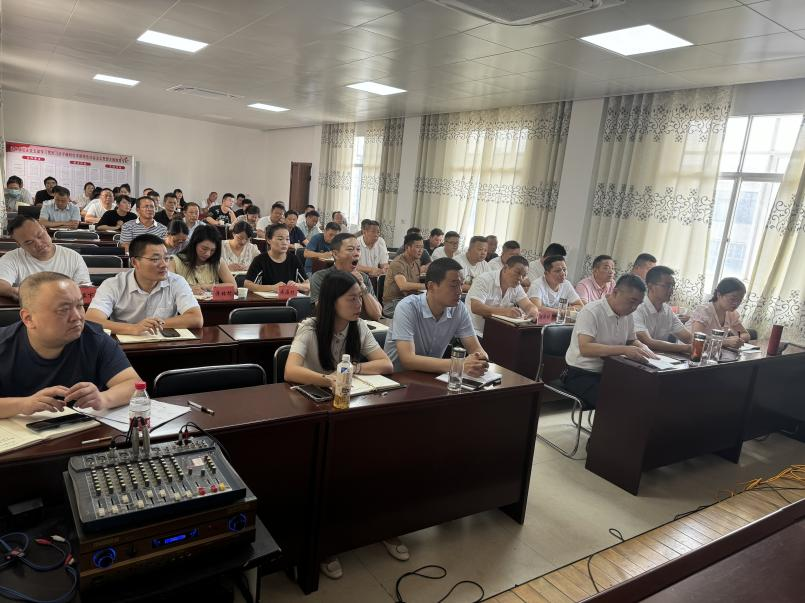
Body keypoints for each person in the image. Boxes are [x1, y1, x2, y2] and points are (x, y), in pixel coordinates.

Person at [284, 270, 397, 580]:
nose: (358, 304)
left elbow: (386, 364)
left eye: (360, 297)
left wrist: (352, 369)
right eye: (351, 299)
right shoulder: (309, 327)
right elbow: (290, 370)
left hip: (346, 406)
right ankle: (324, 540)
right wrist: (328, 379)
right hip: (312, 409)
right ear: (332, 301)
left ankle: (378, 524)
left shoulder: (357, 326)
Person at [0, 272, 140, 419]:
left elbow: (134, 384)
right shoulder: (4, 344)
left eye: (79, 305)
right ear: (28, 319)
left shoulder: (95, 338)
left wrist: (103, 398)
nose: (77, 317)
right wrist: (23, 405)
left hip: (82, 429)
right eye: (63, 310)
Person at [563, 274, 657, 408]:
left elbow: (631, 340)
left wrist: (642, 346)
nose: (634, 308)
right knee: (615, 402)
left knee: (643, 393)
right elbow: (585, 348)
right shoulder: (591, 311)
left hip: (612, 370)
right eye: (632, 301)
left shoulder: (628, 315)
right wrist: (624, 350)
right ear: (615, 292)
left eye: (638, 304)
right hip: (582, 373)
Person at [384, 258, 489, 375]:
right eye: (453, 285)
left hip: (431, 377)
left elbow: (475, 348)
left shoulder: (458, 308)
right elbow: (408, 360)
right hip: (397, 377)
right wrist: (458, 364)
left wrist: (480, 359)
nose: (460, 291)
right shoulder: (407, 307)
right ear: (431, 286)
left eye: (461, 284)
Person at [86, 234, 203, 335]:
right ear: (134, 262)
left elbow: (196, 318)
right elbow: (91, 320)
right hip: (123, 347)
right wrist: (133, 328)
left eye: (166, 258)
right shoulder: (113, 285)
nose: (164, 265)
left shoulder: (176, 281)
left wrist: (152, 325)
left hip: (164, 344)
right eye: (155, 259)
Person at [0, 216, 90, 301]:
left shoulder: (73, 257)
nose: (39, 244)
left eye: (40, 236)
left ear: (44, 229)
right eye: (29, 242)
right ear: (19, 244)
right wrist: (14, 292)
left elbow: (85, 290)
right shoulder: (11, 258)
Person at [309, 233, 381, 320]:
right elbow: (323, 311)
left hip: (360, 325)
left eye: (358, 249)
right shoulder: (321, 277)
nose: (356, 253)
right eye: (350, 249)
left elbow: (377, 315)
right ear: (335, 254)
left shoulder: (363, 277)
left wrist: (362, 286)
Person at [467, 255, 540, 336]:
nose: (520, 278)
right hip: (474, 332)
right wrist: (505, 311)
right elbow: (476, 307)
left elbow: (527, 305)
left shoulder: (516, 286)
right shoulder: (484, 280)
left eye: (524, 275)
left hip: (499, 332)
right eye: (517, 273)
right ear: (505, 268)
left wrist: (533, 310)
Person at [633, 266, 692, 354]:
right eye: (667, 285)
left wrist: (704, 344)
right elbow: (647, 342)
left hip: (661, 358)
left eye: (672, 286)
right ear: (650, 286)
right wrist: (685, 348)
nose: (671, 290)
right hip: (636, 357)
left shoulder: (667, 310)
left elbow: (688, 338)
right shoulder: (637, 308)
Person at [168, 225, 236, 294]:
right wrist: (188, 289)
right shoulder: (174, 261)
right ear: (194, 244)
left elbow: (234, 287)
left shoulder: (217, 262)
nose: (208, 254)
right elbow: (168, 287)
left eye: (212, 250)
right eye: (204, 249)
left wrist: (207, 286)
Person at [244, 223, 309, 293]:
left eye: (287, 239)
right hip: (265, 299)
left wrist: (297, 285)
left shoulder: (294, 259)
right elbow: (247, 284)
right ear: (269, 240)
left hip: (288, 299)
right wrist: (273, 288)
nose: (285, 243)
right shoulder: (260, 260)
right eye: (280, 239)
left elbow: (308, 285)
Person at [687, 277, 751, 348]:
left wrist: (737, 339)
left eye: (740, 300)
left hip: (712, 351)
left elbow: (745, 334)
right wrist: (725, 341)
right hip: (690, 350)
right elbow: (697, 337)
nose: (736, 303)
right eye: (732, 299)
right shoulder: (704, 310)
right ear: (719, 295)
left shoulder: (731, 314)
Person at [383, 232, 426, 316]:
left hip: (409, 301)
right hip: (393, 304)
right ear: (407, 247)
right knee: (422, 314)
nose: (421, 250)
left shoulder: (417, 261)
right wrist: (426, 286)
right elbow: (403, 286)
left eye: (422, 247)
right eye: (417, 247)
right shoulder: (398, 263)